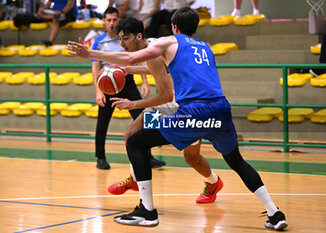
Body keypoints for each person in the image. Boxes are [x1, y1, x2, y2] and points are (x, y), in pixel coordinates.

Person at [67, 7, 288, 230]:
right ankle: (275, 213)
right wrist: (130, 72)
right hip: (220, 109)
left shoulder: (168, 41)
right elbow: (157, 66)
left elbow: (131, 58)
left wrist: (91, 54)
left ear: (174, 27)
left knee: (135, 141)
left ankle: (147, 210)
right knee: (235, 161)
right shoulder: (204, 47)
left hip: (192, 112)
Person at [105, 17, 224, 204]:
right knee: (131, 134)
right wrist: (128, 70)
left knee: (191, 157)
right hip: (170, 105)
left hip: (181, 106)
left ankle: (213, 182)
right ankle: (135, 178)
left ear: (138, 36)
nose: (122, 44)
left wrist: (134, 103)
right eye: (119, 39)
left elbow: (165, 92)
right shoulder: (152, 44)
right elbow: (158, 70)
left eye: (125, 38)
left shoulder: (154, 50)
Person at [92, 7, 165, 170]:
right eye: (108, 20)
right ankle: (100, 158)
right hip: (107, 83)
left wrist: (144, 82)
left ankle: (148, 155)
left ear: (119, 20)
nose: (111, 23)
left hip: (127, 79)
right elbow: (95, 68)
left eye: (114, 20)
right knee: (102, 123)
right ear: (103, 21)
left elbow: (138, 59)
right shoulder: (99, 42)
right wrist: (98, 90)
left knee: (143, 117)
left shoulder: (128, 38)